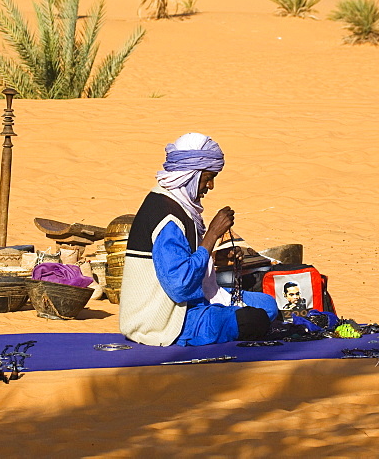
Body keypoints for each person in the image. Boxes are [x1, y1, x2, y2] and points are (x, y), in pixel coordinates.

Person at [119, 133, 278, 346]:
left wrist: (215, 259)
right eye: (208, 177)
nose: (210, 186)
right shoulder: (167, 217)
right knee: (254, 320)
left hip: (191, 301)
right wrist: (212, 235)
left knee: (267, 305)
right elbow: (180, 286)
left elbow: (185, 259)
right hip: (164, 319)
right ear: (191, 175)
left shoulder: (180, 205)